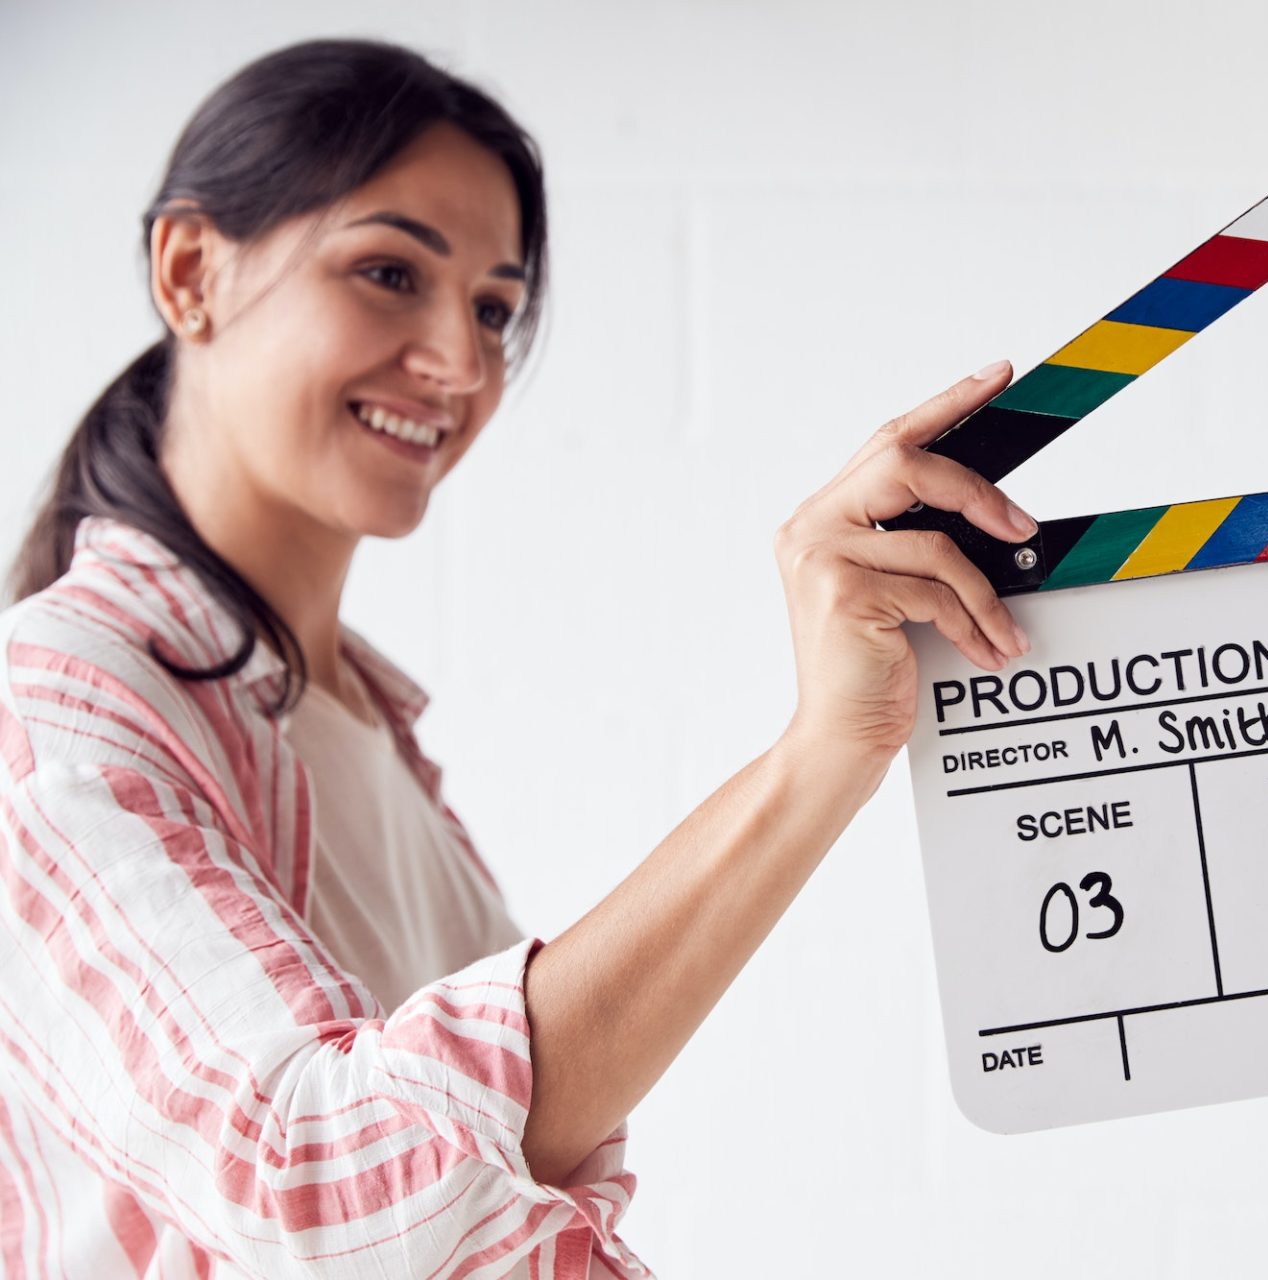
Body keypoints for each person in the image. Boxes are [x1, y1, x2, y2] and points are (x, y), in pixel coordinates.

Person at [0, 36, 1033, 1278]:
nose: (460, 362)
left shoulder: (359, 726)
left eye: (494, 307)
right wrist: (822, 754)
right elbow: (318, 1187)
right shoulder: (54, 711)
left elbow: (489, 1197)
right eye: (389, 271)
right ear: (190, 270)